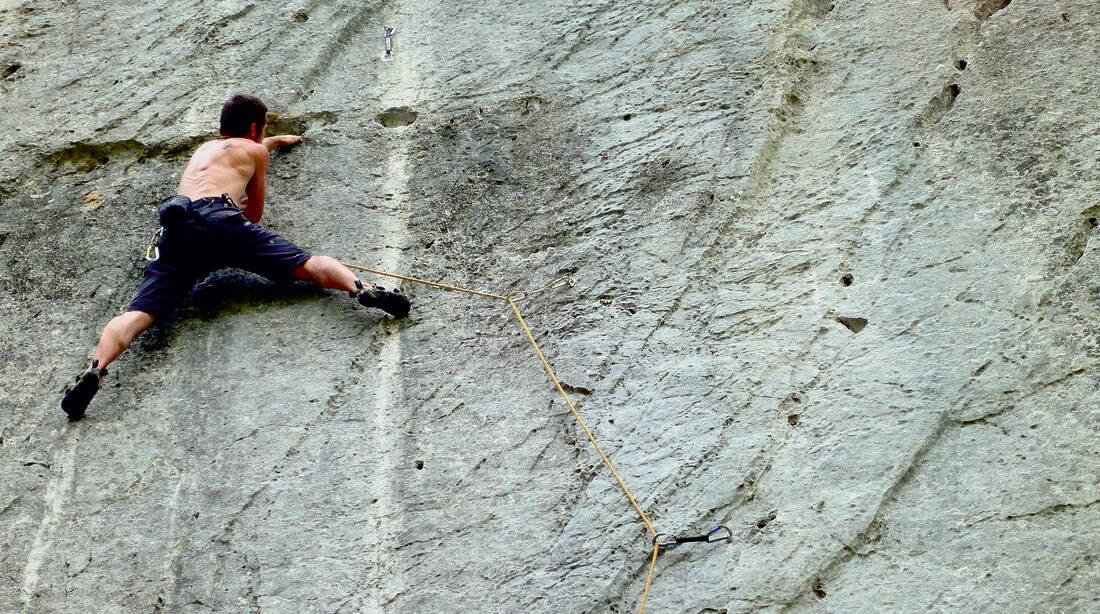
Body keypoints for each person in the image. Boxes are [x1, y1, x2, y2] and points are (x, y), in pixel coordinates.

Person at [60, 94, 410, 420]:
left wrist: (271, 143)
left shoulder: (205, 149)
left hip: (178, 225)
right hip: (221, 220)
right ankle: (360, 287)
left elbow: (237, 152)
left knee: (140, 312)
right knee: (305, 263)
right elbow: (254, 212)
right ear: (256, 128)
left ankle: (96, 367)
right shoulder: (255, 151)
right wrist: (264, 155)